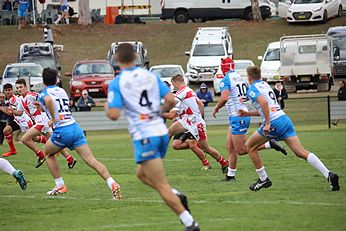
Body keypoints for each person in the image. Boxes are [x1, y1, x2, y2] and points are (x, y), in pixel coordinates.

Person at [105, 43, 199, 231]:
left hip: (145, 135)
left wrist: (107, 107)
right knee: (141, 174)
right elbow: (171, 100)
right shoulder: (150, 75)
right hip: (161, 133)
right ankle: (175, 194)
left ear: (116, 60)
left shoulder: (118, 82)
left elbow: (114, 114)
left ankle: (190, 223)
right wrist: (155, 112)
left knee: (160, 183)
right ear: (136, 57)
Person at [238, 66, 339, 191]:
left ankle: (263, 179)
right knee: (300, 152)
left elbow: (264, 104)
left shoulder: (252, 89)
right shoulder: (264, 85)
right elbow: (266, 108)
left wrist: (268, 124)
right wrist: (247, 114)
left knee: (249, 147)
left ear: (249, 78)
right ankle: (329, 174)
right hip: (284, 119)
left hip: (274, 122)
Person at [37, 68, 121, 199]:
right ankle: (112, 183)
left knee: (48, 153)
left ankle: (60, 185)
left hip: (62, 130)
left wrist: (53, 119)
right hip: (75, 128)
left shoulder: (44, 93)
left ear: (43, 81)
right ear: (57, 80)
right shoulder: (62, 91)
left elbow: (47, 100)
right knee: (91, 160)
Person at [212, 59, 287, 182]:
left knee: (241, 150)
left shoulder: (226, 79)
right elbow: (245, 95)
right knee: (229, 146)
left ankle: (269, 144)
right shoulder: (239, 77)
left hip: (238, 117)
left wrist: (216, 107)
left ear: (223, 67)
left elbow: (224, 98)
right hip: (238, 115)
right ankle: (231, 175)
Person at [169, 74, 229, 174]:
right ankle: (156, 159)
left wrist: (197, 119)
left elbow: (171, 109)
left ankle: (224, 163)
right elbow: (200, 104)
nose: (173, 86)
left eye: (173, 84)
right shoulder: (189, 91)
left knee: (206, 148)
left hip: (195, 124)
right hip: (188, 121)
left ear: (177, 82)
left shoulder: (182, 92)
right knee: (171, 135)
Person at [13, 79, 76, 169]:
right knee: (54, 142)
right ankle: (70, 159)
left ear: (25, 86)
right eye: (17, 88)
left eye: (21, 87)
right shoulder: (19, 99)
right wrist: (10, 111)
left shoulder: (31, 95)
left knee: (24, 139)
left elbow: (44, 99)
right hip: (41, 122)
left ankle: (40, 155)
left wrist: (41, 105)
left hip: (42, 121)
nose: (19, 89)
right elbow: (19, 112)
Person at [1, 83, 35, 157]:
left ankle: (54, 146)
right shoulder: (9, 99)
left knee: (35, 138)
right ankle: (13, 150)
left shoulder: (14, 99)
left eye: (9, 90)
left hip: (24, 120)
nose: (7, 92)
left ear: (12, 90)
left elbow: (10, 113)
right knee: (6, 131)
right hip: (18, 120)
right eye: (6, 90)